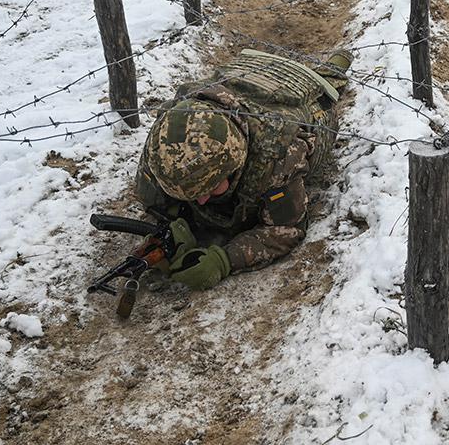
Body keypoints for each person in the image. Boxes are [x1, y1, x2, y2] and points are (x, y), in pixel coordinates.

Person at [133, 48, 351, 290]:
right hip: (242, 74)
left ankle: (334, 66)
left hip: (298, 98)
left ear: (236, 166)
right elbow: (153, 196)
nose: (202, 201)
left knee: (326, 85)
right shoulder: (165, 144)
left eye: (210, 188)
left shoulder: (279, 154)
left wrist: (224, 260)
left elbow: (286, 228)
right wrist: (174, 218)